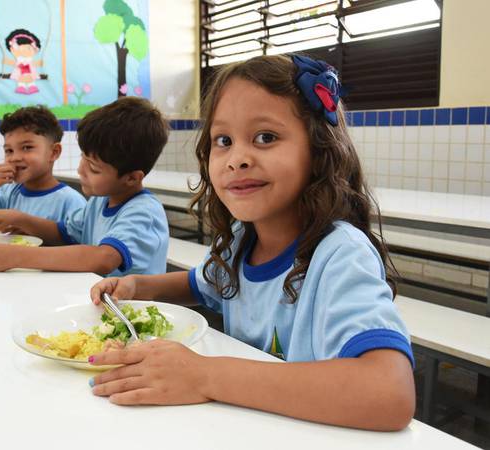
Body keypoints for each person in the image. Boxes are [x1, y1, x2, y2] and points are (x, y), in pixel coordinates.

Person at [86, 54, 416, 431]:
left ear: (318, 150)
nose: (237, 158)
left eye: (265, 137)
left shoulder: (340, 254)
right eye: (223, 141)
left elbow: (389, 393)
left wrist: (204, 375)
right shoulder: (243, 240)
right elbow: (197, 284)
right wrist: (137, 286)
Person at [0, 97, 170, 276]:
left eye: (93, 168)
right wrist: (17, 218)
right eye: (83, 158)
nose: (81, 170)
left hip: (131, 315)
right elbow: (62, 232)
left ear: (132, 178)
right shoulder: (100, 201)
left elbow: (104, 258)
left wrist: (16, 256)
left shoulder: (143, 211)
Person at [0, 106, 84, 224]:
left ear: (54, 152)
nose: (15, 158)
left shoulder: (71, 202)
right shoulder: (7, 194)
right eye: (9, 151)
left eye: (27, 147)